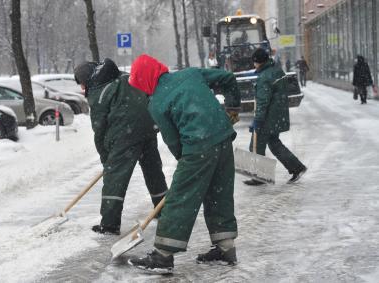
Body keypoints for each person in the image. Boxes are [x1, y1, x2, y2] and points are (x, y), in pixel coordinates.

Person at [127, 54, 241, 274]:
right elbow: (227, 78)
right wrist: (233, 108)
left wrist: (188, 167)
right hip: (223, 137)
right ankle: (226, 248)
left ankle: (162, 255)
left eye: (139, 85)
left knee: (180, 197)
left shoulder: (157, 104)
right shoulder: (191, 74)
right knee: (219, 192)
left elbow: (173, 141)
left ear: (145, 80)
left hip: (198, 146)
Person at [73, 59, 168, 235]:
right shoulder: (125, 77)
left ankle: (109, 224)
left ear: (87, 80)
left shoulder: (99, 91)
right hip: (148, 126)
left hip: (126, 133)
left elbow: (99, 129)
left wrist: (106, 160)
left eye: (82, 84)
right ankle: (164, 211)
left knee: (115, 178)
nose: (82, 89)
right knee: (153, 170)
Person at [244, 48, 307, 186]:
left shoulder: (264, 78)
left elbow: (262, 101)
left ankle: (260, 177)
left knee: (255, 145)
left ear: (258, 62)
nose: (254, 65)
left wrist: (258, 120)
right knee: (274, 144)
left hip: (268, 117)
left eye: (254, 62)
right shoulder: (277, 71)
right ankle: (297, 168)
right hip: (278, 115)